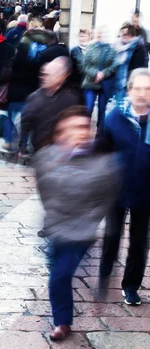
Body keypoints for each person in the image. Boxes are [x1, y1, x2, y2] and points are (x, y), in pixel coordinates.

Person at [33, 105, 120, 341]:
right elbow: (43, 189)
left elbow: (106, 198)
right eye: (74, 127)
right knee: (56, 270)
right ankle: (64, 314)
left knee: (59, 275)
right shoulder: (45, 157)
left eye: (85, 127)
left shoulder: (104, 164)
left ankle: (62, 322)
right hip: (55, 227)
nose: (80, 132)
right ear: (60, 131)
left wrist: (90, 221)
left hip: (81, 232)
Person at [97, 68, 150, 306]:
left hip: (145, 191)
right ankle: (105, 274)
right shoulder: (115, 117)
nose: (142, 94)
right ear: (129, 91)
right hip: (116, 188)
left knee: (139, 243)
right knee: (112, 236)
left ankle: (131, 287)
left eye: (147, 89)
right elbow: (101, 150)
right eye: (137, 88)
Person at [19, 57, 80, 154]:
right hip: (39, 152)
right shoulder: (34, 98)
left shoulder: (70, 99)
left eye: (48, 75)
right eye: (43, 74)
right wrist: (21, 146)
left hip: (62, 152)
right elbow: (24, 124)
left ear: (61, 77)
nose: (43, 78)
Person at [81, 28, 118, 132]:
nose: (100, 35)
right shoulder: (90, 48)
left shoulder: (111, 49)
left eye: (102, 33)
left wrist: (103, 74)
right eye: (98, 33)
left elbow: (114, 65)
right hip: (90, 82)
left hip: (105, 84)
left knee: (102, 110)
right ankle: (85, 131)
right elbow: (84, 66)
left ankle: (99, 134)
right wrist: (95, 73)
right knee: (88, 108)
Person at [114, 23, 149, 105]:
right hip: (118, 84)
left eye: (125, 34)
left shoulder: (139, 47)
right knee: (120, 107)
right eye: (121, 34)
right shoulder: (118, 47)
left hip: (131, 83)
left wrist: (133, 83)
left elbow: (140, 68)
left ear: (131, 35)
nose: (122, 36)